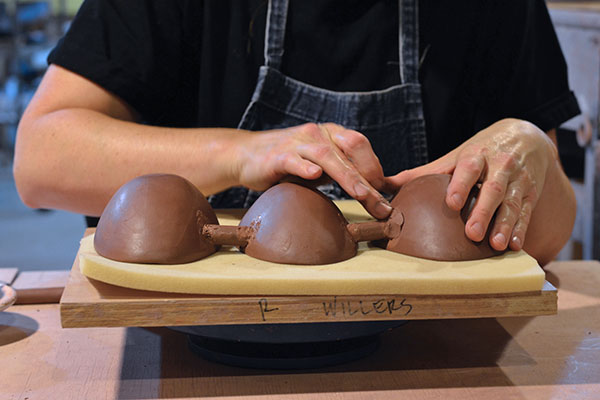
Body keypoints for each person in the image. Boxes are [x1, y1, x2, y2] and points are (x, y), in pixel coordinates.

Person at [13, 0, 579, 266]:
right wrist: (239, 154)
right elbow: (41, 158)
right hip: (185, 343)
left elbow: (550, 235)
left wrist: (529, 142)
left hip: (441, 351)